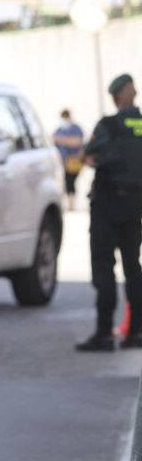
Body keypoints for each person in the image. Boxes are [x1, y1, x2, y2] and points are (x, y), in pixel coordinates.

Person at [75, 74, 142, 351]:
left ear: (116, 98)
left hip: (107, 204)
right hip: (135, 205)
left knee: (104, 270)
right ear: (134, 94)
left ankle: (104, 334)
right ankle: (136, 332)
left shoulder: (109, 125)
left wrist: (92, 159)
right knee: (133, 269)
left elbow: (88, 154)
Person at [53, 109, 85, 210]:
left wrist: (64, 140)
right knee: (68, 182)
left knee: (71, 181)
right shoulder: (60, 129)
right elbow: (54, 140)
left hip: (75, 161)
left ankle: (72, 204)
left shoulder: (76, 128)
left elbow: (78, 141)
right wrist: (66, 141)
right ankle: (70, 204)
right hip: (65, 161)